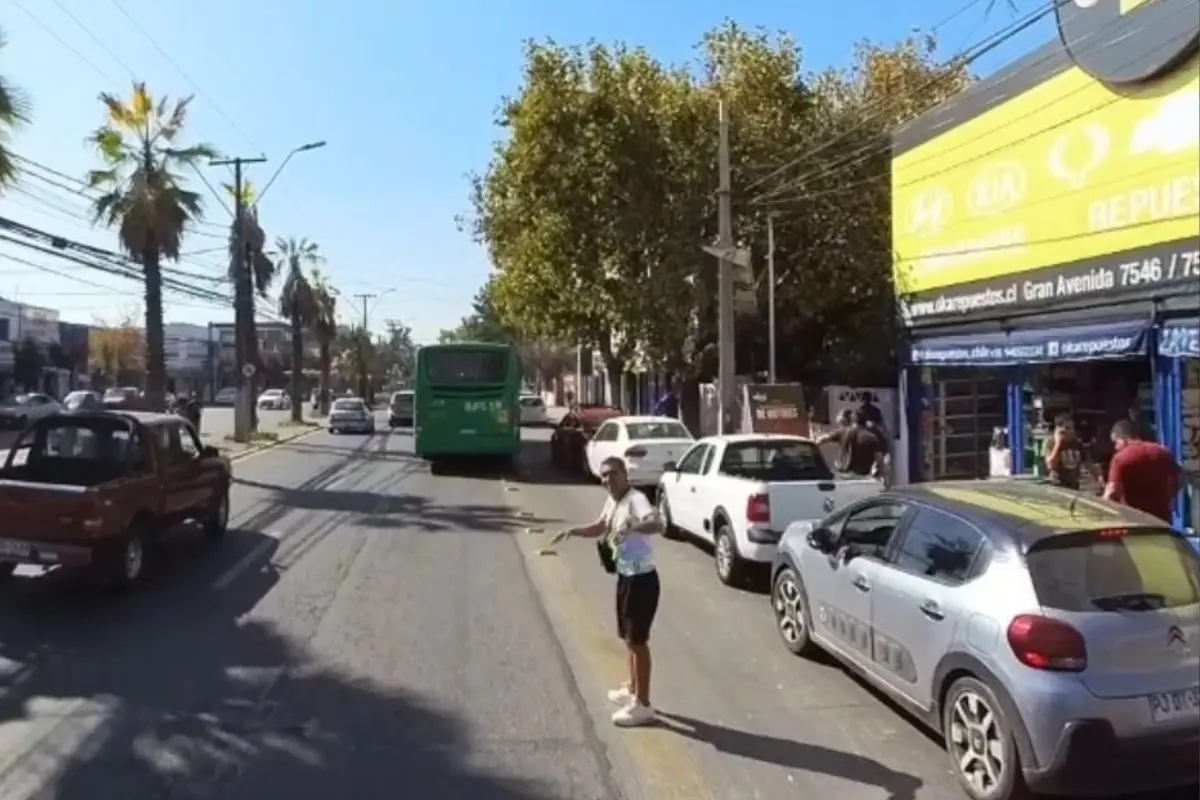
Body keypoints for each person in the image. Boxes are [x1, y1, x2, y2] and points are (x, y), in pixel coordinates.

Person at [551, 456, 662, 727]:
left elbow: (656, 524)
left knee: (638, 642)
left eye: (612, 474)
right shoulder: (613, 500)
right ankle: (632, 689)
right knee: (627, 637)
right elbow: (601, 526)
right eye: (603, 476)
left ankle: (643, 705)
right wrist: (574, 531)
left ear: (625, 474)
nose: (607, 480)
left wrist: (632, 527)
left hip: (642, 580)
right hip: (626, 577)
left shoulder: (636, 499)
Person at [1104, 419, 1181, 523]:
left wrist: (1102, 512)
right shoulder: (1163, 452)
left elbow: (1112, 491)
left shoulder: (1120, 458)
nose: (1115, 447)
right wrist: (1169, 497)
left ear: (1123, 440)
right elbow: (1181, 479)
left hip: (1135, 520)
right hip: (1162, 519)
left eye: (1115, 442)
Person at [817, 408, 888, 479]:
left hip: (841, 475)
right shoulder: (872, 438)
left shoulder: (842, 432)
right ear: (865, 421)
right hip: (862, 477)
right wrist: (882, 475)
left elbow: (821, 440)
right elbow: (879, 460)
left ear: (852, 420)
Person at [1045, 414, 1088, 490]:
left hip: (1074, 484)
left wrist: (1099, 477)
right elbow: (1050, 464)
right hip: (1058, 484)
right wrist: (1058, 444)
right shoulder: (1051, 443)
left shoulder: (1077, 443)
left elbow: (1088, 463)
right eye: (1068, 428)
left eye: (1072, 428)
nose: (1071, 431)